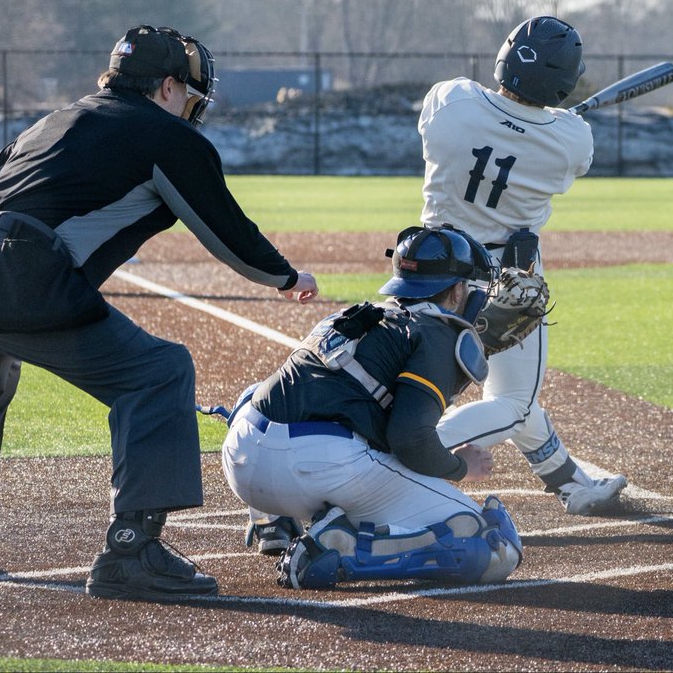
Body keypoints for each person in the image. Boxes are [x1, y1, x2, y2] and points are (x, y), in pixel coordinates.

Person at [0, 24, 319, 602]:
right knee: (158, 373)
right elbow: (224, 227)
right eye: (189, 93)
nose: (191, 106)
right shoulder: (167, 135)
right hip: (17, 271)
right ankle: (133, 550)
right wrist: (283, 276)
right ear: (168, 86)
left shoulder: (61, 115)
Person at [222, 225, 523, 589]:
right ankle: (343, 552)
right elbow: (409, 440)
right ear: (457, 290)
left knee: (261, 393)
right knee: (494, 543)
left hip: (240, 459)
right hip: (315, 467)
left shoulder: (356, 315)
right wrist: (459, 466)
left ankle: (273, 520)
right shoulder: (437, 334)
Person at [418, 16, 628, 516]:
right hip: (502, 282)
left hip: (425, 267)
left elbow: (474, 122)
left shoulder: (452, 100)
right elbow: (569, 151)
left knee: (509, 393)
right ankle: (403, 454)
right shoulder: (571, 140)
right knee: (511, 404)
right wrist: (540, 120)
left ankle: (572, 484)